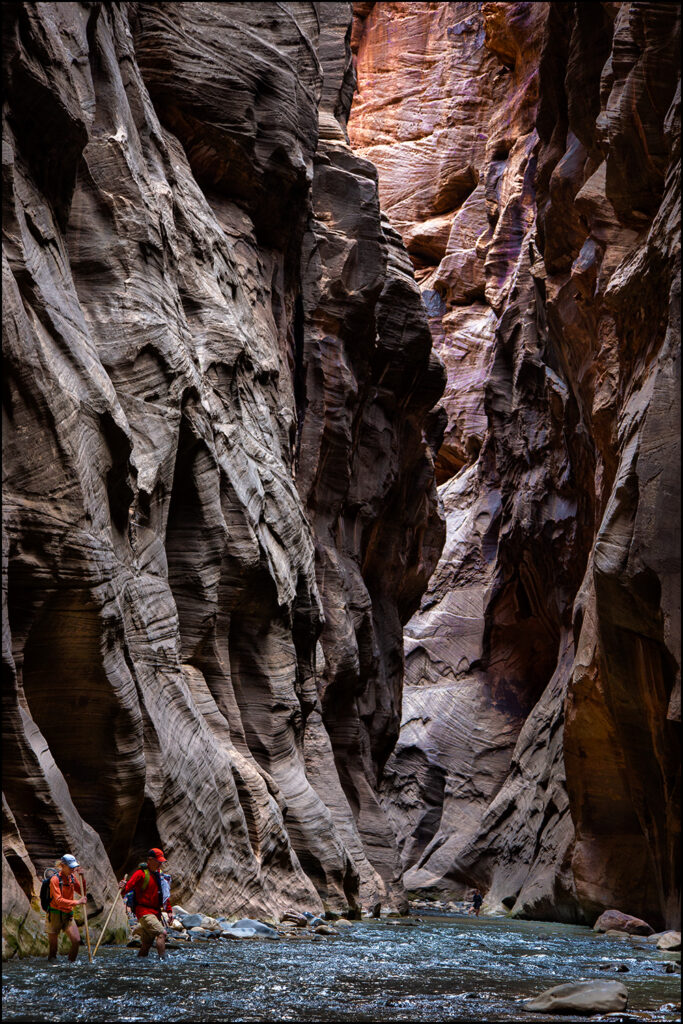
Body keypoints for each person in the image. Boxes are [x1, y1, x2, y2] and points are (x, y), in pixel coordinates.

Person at [120, 848, 174, 959]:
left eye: (161, 862)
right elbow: (126, 890)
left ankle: (138, 965)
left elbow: (165, 894)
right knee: (162, 933)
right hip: (144, 913)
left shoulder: (160, 875)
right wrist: (121, 887)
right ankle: (163, 962)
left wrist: (169, 910)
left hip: (155, 913)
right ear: (150, 860)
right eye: (158, 861)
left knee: (146, 945)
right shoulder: (140, 874)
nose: (160, 864)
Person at [46, 854, 88, 961]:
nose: (73, 870)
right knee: (53, 950)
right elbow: (58, 901)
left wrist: (82, 878)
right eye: (70, 867)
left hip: (68, 915)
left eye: (74, 867)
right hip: (54, 914)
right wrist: (77, 902)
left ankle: (70, 966)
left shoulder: (72, 878)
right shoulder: (54, 880)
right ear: (62, 865)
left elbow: (82, 891)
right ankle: (53, 971)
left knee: (76, 941)